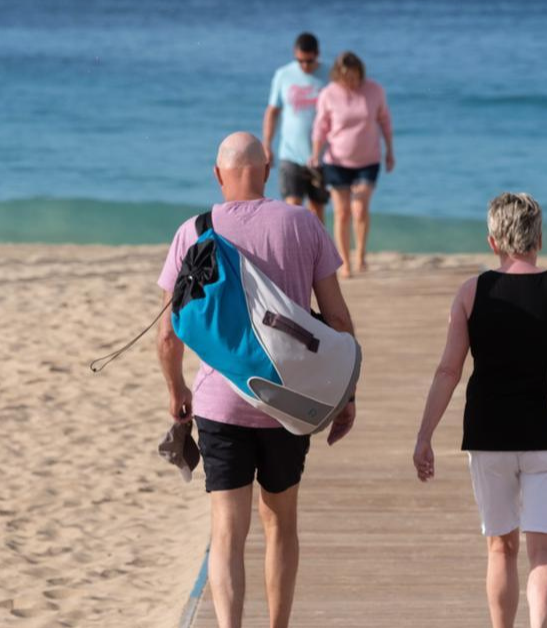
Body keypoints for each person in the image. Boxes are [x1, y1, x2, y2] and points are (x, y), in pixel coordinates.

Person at [155, 132, 357, 628]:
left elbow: (167, 335)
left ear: (218, 174)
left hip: (219, 404)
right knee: (280, 522)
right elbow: (338, 321)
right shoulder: (303, 224)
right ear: (266, 172)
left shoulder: (193, 232)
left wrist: (177, 391)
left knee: (226, 530)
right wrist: (344, 395)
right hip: (290, 401)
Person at [413, 192, 547, 628]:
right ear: (539, 237)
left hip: (489, 435)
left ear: (492, 241)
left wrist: (424, 435)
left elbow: (449, 370)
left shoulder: (472, 292)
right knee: (545, 551)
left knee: (500, 547)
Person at [309, 51, 394, 278]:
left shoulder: (375, 90)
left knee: (359, 209)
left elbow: (384, 120)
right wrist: (316, 153)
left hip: (368, 160)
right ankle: (345, 262)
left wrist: (390, 152)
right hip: (336, 161)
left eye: (355, 76)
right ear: (338, 75)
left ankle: (361, 254)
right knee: (342, 212)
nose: (352, 82)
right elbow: (321, 126)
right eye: (347, 77)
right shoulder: (328, 94)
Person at [263, 32, 331, 222]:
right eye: (300, 60)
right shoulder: (283, 75)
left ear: (317, 54)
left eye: (309, 61)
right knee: (292, 208)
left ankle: (317, 250)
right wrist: (267, 145)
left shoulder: (330, 74)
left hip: (321, 157)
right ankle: (294, 251)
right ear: (295, 54)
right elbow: (272, 111)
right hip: (290, 153)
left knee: (317, 211)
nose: (304, 66)